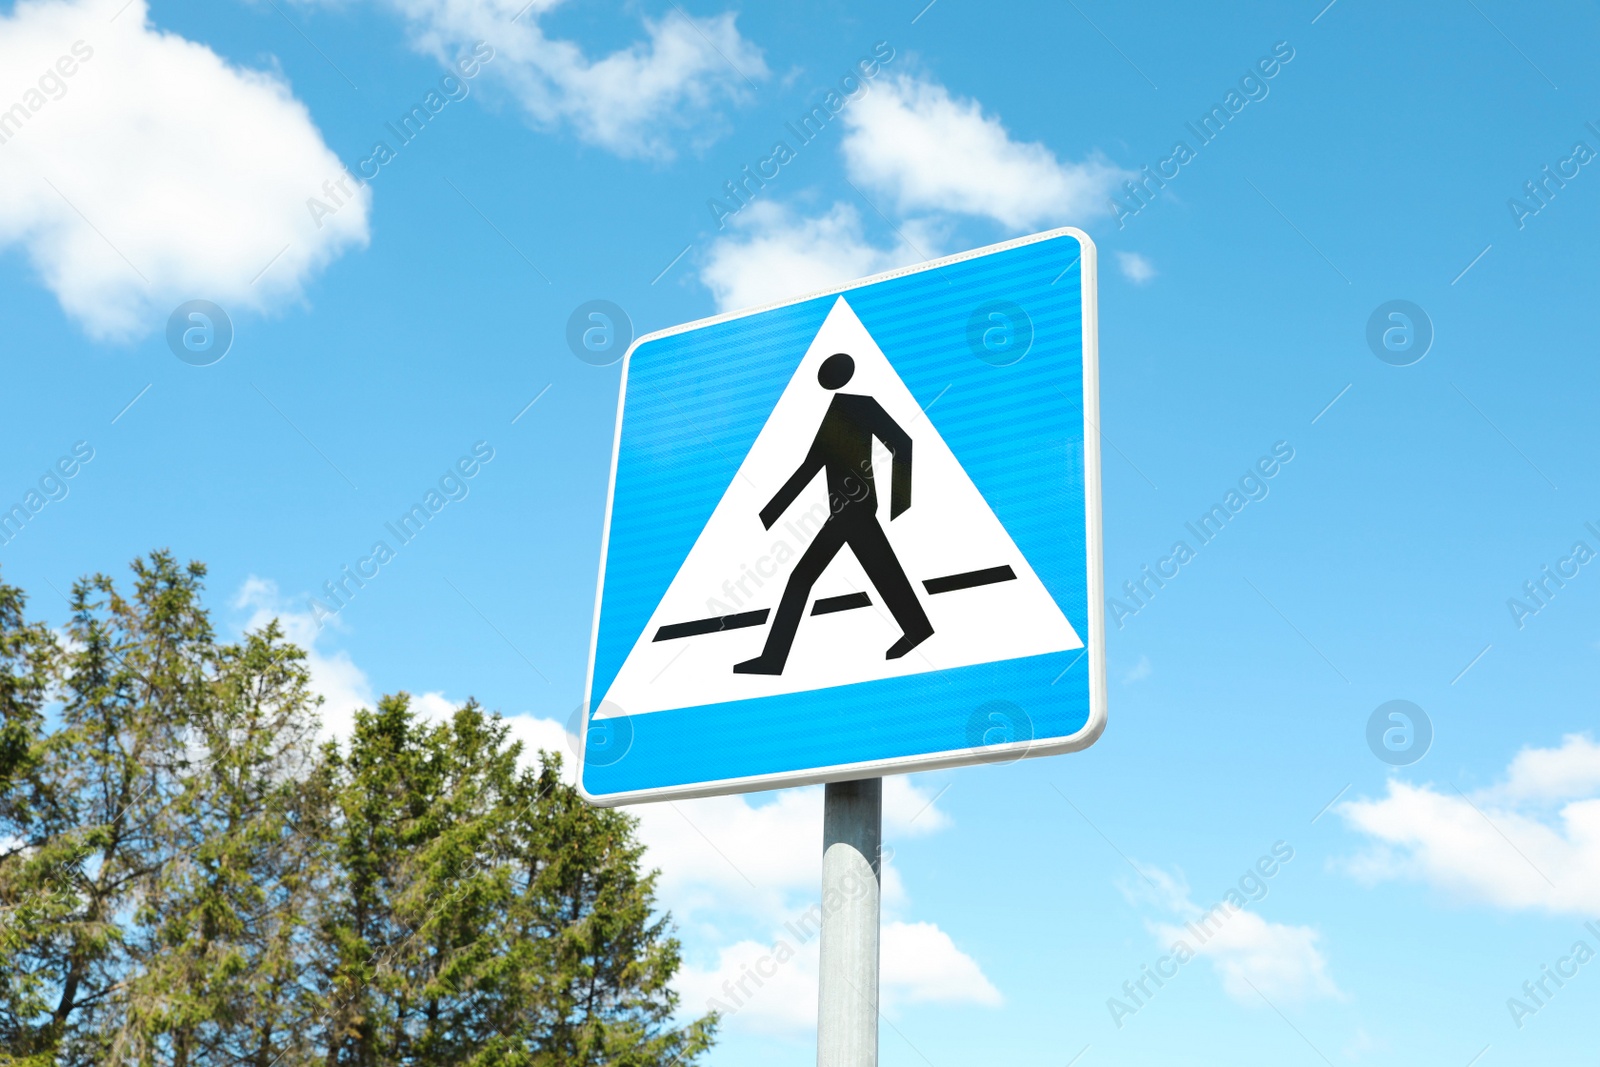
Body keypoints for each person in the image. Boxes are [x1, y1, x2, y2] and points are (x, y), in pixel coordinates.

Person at [734, 352, 934, 675]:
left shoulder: (861, 405)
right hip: (844, 511)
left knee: (803, 577)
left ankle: (773, 659)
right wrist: (769, 514)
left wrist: (901, 502)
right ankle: (918, 628)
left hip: (855, 509)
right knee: (883, 572)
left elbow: (901, 443)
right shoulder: (834, 413)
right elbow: (811, 467)